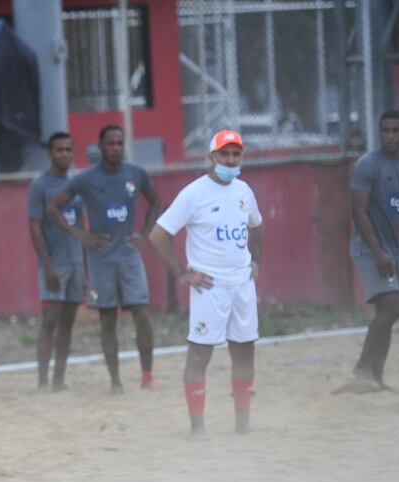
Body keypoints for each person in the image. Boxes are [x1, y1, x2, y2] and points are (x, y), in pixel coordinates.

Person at [149, 130, 264, 437]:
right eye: (224, 154)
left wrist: (256, 261)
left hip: (242, 285)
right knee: (200, 353)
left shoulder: (244, 191)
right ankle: (197, 427)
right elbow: (158, 235)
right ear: (212, 157)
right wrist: (181, 273)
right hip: (209, 287)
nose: (230, 160)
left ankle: (243, 424)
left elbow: (257, 225)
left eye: (235, 154)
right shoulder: (194, 193)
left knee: (244, 351)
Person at [48, 125, 162, 393]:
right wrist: (81, 236)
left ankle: (147, 377)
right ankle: (116, 382)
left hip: (129, 256)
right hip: (100, 258)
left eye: (120, 143)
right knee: (108, 318)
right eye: (110, 143)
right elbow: (53, 208)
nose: (115, 148)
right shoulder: (85, 179)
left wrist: (144, 234)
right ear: (100, 147)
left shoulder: (136, 173)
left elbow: (156, 202)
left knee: (142, 314)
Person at [341, 110, 399, 393]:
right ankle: (364, 369)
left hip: (394, 248)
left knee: (388, 312)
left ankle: (373, 378)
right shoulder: (368, 165)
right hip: (369, 248)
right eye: (385, 130)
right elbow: (359, 211)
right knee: (392, 305)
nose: (390, 136)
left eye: (396, 130)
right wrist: (378, 252)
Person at [28, 132, 86, 391]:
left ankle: (59, 380)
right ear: (50, 154)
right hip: (54, 264)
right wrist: (47, 265)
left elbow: (81, 227)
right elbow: (35, 226)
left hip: (76, 264)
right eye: (59, 150)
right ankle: (42, 381)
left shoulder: (77, 184)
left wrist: (85, 266)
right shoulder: (40, 185)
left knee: (68, 322)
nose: (65, 154)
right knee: (49, 319)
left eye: (69, 149)